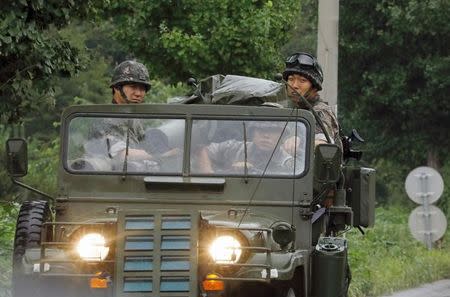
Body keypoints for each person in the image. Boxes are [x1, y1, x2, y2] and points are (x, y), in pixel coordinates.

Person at [282, 52, 342, 149]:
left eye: (302, 80)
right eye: (291, 79)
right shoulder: (286, 108)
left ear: (314, 87)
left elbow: (323, 145)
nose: (294, 85)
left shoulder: (320, 111)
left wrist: (300, 143)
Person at [196, 121, 304, 175]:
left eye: (272, 131)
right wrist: (209, 173)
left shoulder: (289, 161)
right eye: (261, 130)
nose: (266, 135)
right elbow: (202, 149)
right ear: (253, 133)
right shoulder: (235, 148)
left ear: (282, 135)